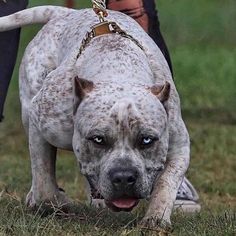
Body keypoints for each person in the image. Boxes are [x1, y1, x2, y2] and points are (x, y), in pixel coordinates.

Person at [0, 0, 200, 212]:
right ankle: (44, 192)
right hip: (59, 37)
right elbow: (36, 110)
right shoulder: (57, 103)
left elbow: (179, 149)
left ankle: (158, 179)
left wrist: (160, 207)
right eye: (100, 141)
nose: (123, 174)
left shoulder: (161, 90)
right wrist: (44, 189)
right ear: (75, 105)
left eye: (145, 141)